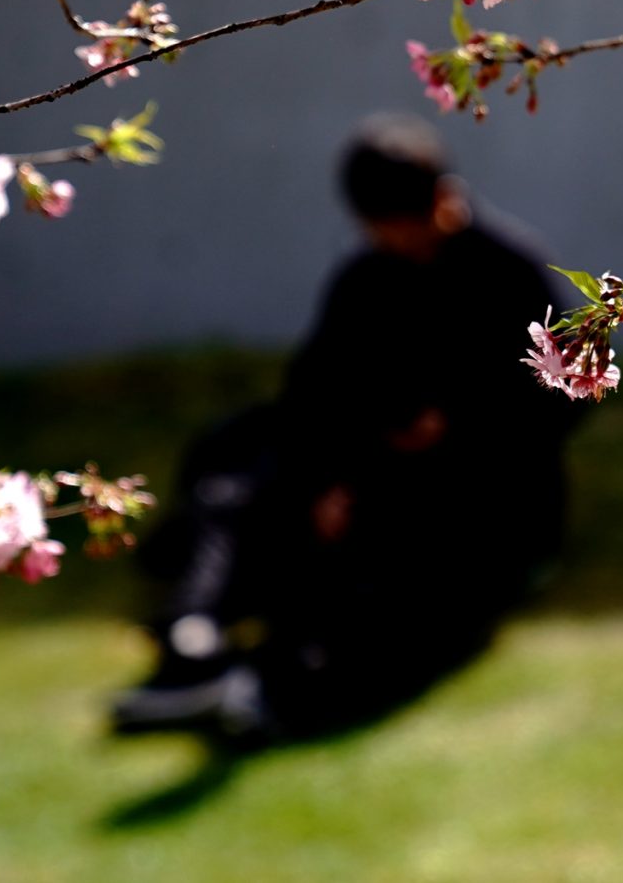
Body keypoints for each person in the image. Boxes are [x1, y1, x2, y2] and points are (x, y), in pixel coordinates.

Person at [112, 115, 577, 740]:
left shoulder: (512, 273)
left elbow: (568, 395)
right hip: (366, 458)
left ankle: (278, 682)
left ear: (442, 200)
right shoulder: (367, 276)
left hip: (481, 478)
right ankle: (192, 636)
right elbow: (314, 392)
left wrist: (456, 424)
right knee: (234, 462)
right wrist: (329, 477)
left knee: (402, 562)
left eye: (404, 229)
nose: (397, 244)